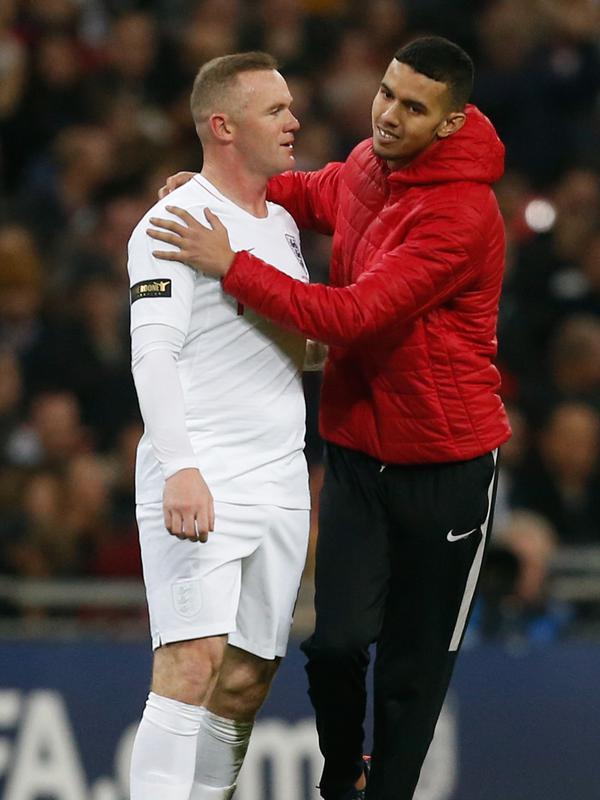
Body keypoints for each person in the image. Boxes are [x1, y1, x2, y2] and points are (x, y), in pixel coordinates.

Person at [150, 36, 511, 800]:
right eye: (387, 91)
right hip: (356, 455)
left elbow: (351, 317)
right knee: (337, 645)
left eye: (414, 108)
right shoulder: (370, 167)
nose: (388, 114)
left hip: (446, 469)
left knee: (412, 674)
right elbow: (315, 192)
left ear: (449, 124)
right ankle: (342, 771)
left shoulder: (461, 214)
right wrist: (219, 191)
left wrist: (232, 263)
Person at [127, 52, 313, 800]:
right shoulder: (172, 220)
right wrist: (179, 464)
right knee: (192, 661)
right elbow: (153, 351)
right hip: (201, 470)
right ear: (223, 125)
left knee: (245, 680)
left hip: (281, 476)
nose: (294, 121)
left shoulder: (287, 225)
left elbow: (300, 343)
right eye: (276, 111)